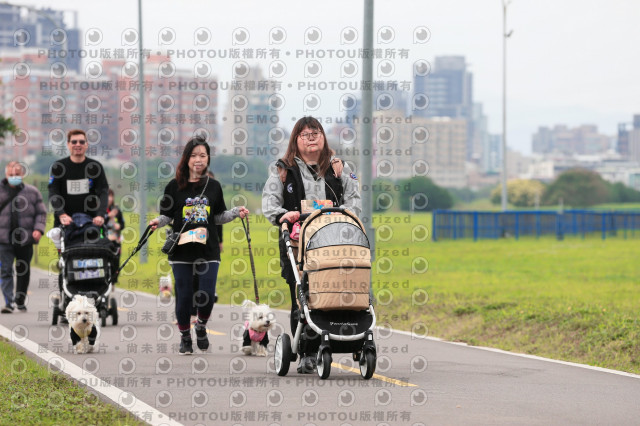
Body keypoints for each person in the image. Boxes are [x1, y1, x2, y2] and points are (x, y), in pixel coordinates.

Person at [262, 116, 361, 373]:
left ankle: (347, 339)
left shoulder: (340, 168)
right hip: (298, 244)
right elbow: (269, 203)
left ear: (323, 137)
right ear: (296, 139)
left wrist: (345, 213)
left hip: (336, 242)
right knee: (303, 296)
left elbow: (355, 200)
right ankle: (306, 350)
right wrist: (284, 214)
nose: (311, 137)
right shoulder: (283, 170)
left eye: (316, 132)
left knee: (337, 290)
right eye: (304, 134)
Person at [149, 136, 248, 355]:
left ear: (208, 159)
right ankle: (185, 337)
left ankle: (201, 326)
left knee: (206, 294)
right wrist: (158, 221)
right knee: (184, 296)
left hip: (208, 250)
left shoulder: (213, 186)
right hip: (182, 250)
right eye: (194, 155)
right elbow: (167, 216)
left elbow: (218, 216)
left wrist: (235, 212)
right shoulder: (173, 186)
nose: (198, 160)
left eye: (202, 155)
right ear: (186, 159)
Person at [0, 161, 47, 313]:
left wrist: (38, 229)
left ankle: (20, 299)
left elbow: (41, 213)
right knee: (6, 270)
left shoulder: (32, 192)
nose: (14, 177)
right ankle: (8, 302)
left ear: (22, 175)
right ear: (6, 175)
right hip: (3, 239)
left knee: (23, 270)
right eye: (11, 175)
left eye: (17, 174)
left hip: (24, 239)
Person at [48, 129, 109, 228]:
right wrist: (61, 214)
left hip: (91, 221)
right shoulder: (58, 167)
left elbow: (103, 191)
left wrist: (100, 215)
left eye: (81, 142)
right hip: (65, 222)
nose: (78, 144)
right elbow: (53, 192)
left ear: (86, 145)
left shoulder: (95, 167)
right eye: (74, 142)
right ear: (68, 144)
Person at [105, 188, 125, 283]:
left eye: (111, 196)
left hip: (115, 240)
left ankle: (113, 283)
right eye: (107, 196)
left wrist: (119, 226)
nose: (109, 199)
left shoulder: (116, 210)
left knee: (116, 262)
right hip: (104, 240)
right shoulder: (101, 210)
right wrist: (108, 216)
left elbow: (122, 223)